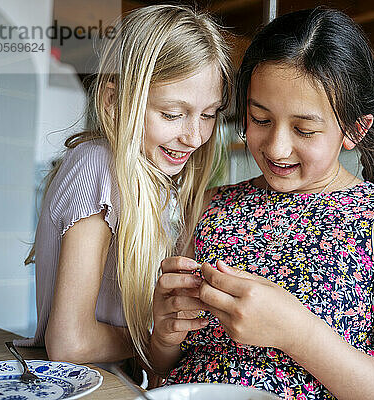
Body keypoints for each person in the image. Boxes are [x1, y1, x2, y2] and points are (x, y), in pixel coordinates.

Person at [150, 8, 374, 399]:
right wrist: (165, 334)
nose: (277, 147)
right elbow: (158, 372)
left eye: (304, 129)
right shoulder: (206, 206)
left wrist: (297, 333)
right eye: (261, 119)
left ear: (355, 129)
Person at [16, 4, 232, 367]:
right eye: (172, 114)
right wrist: (153, 339)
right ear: (115, 100)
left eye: (209, 115)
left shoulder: (157, 183)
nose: (195, 136)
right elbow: (71, 344)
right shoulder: (97, 165)